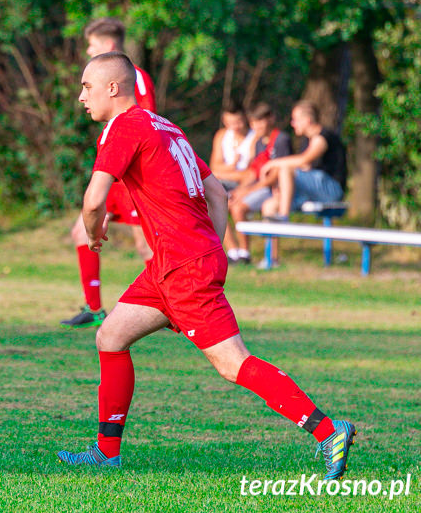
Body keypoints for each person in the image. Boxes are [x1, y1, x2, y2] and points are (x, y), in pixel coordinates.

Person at [56, 52, 355, 482]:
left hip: (183, 265)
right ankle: (106, 452)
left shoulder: (122, 126)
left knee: (232, 363)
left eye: (86, 87)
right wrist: (210, 248)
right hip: (176, 261)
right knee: (111, 336)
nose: (81, 96)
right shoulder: (165, 126)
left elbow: (92, 200)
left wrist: (93, 231)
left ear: (112, 88)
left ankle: (328, 431)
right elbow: (218, 193)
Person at [61, 18, 156, 329]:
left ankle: (170, 307)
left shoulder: (137, 80)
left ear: (110, 46)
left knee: (146, 245)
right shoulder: (102, 85)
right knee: (80, 232)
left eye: (93, 44)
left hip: (132, 176)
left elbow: (146, 123)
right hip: (114, 173)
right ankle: (95, 308)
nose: (88, 50)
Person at [260, 101, 346, 222]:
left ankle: (284, 217)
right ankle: (272, 238)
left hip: (332, 190)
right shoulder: (306, 140)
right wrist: (281, 187)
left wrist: (272, 163)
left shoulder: (322, 138)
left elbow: (303, 160)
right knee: (269, 205)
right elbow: (305, 167)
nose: (292, 124)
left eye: (295, 120)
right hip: (313, 191)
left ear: (307, 120)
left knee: (285, 169)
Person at [228, 102, 292, 262]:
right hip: (260, 187)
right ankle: (235, 252)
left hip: (273, 190)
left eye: (259, 121)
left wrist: (247, 191)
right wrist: (239, 190)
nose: (256, 126)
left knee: (238, 208)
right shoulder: (258, 142)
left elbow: (275, 175)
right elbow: (254, 172)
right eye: (253, 122)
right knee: (225, 203)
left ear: (270, 119)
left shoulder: (281, 140)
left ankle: (249, 253)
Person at [208, 102, 256, 264]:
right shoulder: (222, 136)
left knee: (236, 209)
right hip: (224, 182)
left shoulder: (253, 137)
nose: (234, 127)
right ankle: (232, 251)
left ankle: (245, 251)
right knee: (215, 205)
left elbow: (251, 173)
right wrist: (232, 167)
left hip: (246, 186)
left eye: (238, 122)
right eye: (230, 123)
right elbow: (214, 167)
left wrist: (227, 171)